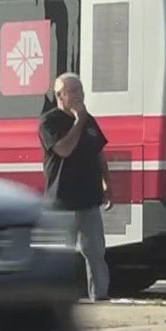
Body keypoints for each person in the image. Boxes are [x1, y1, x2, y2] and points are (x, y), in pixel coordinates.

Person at [39, 72, 112, 301]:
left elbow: (99, 154)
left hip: (89, 199)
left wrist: (107, 185)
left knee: (96, 252)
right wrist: (78, 121)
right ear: (60, 95)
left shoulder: (89, 120)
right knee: (62, 255)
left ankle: (100, 296)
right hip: (63, 201)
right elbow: (64, 150)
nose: (80, 95)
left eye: (80, 89)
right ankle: (60, 298)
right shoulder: (49, 122)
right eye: (74, 90)